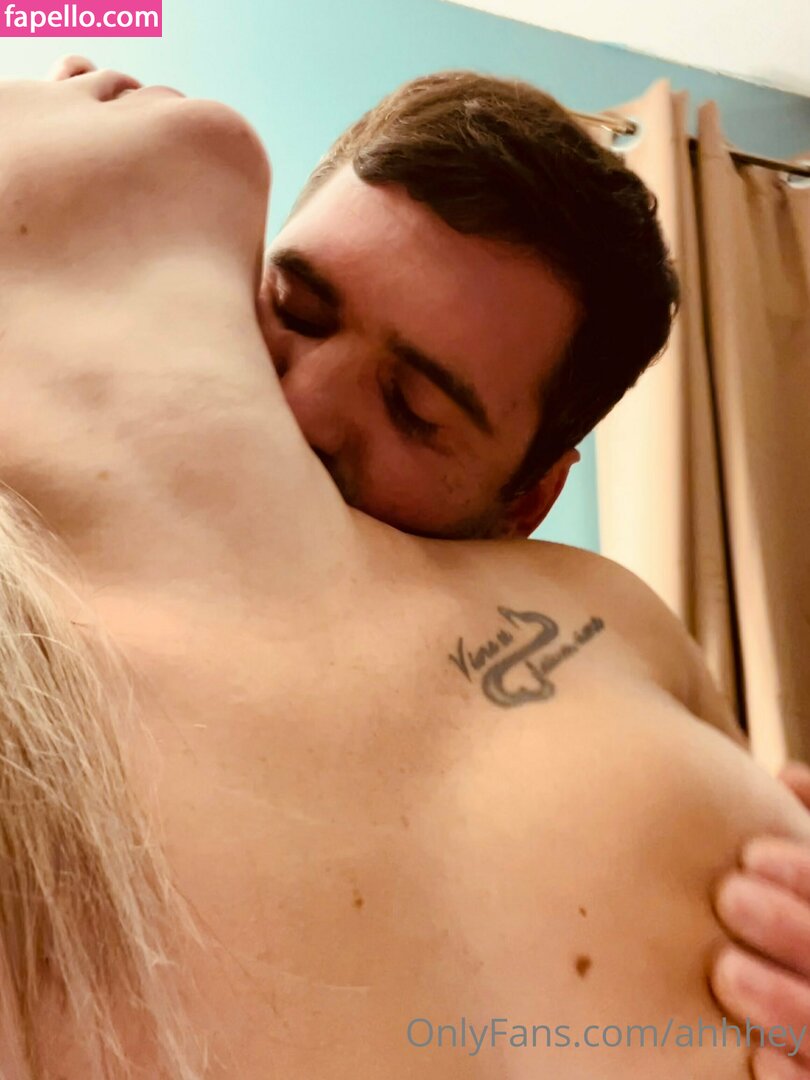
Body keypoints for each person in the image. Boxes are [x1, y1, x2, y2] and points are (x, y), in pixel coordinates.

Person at [0, 57, 805, 1080]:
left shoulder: (609, 616)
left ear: (528, 498)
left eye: (414, 412)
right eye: (297, 307)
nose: (306, 406)